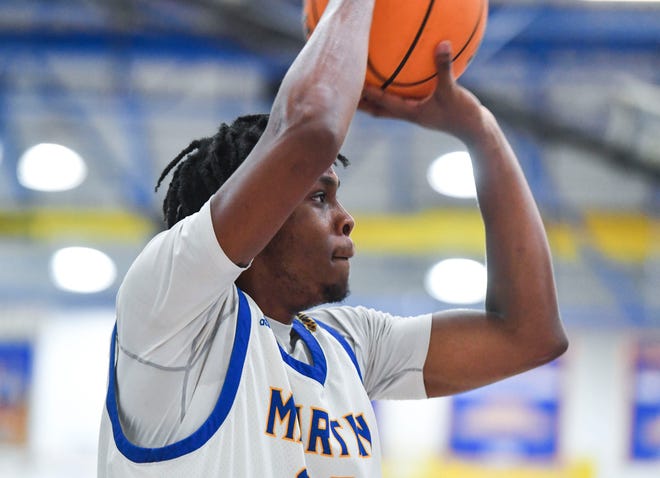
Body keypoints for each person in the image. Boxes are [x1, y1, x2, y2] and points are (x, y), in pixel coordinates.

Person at [97, 1, 568, 476]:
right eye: (320, 198)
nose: (347, 219)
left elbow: (529, 335)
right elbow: (311, 131)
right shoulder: (172, 309)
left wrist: (480, 132)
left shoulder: (346, 344)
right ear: (264, 207)